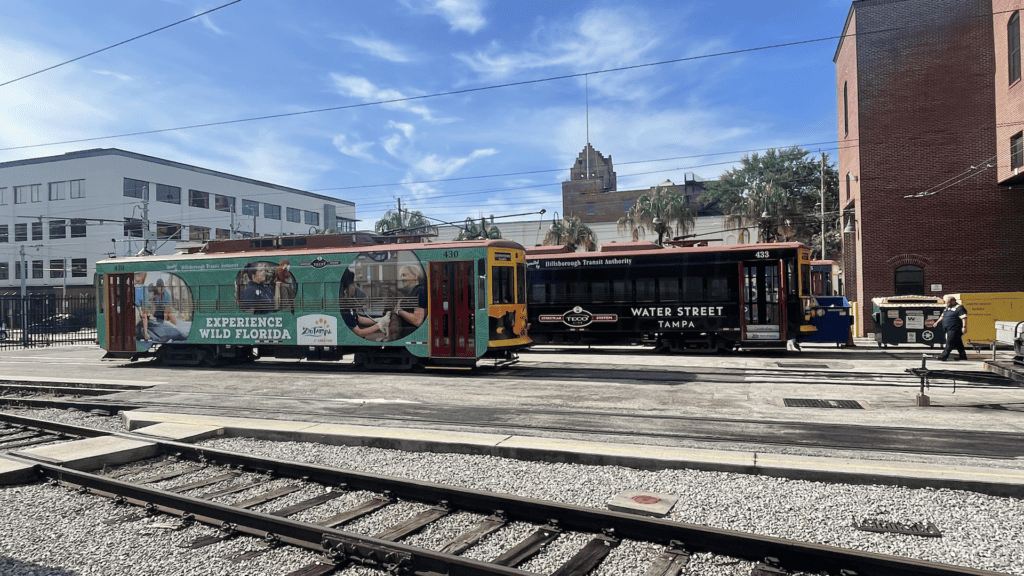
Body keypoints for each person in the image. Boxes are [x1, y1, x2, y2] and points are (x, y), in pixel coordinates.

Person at [340, 269, 387, 340]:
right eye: (352, 284)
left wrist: (378, 320)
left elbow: (358, 318)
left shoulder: (349, 303)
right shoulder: (343, 308)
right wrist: (379, 325)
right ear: (345, 289)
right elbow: (359, 332)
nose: (354, 286)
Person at [395, 265, 426, 330]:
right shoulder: (409, 293)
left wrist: (399, 311)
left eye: (405, 275)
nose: (402, 279)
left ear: (415, 276)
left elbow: (417, 321)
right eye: (401, 276)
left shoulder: (420, 291)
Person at [937, 295, 968, 361]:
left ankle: (944, 356)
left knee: (949, 343)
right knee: (958, 343)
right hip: (948, 329)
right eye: (946, 302)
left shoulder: (960, 308)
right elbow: (942, 316)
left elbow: (964, 318)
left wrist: (964, 327)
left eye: (949, 302)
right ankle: (963, 356)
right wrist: (936, 322)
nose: (947, 304)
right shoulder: (947, 308)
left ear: (953, 301)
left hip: (955, 329)